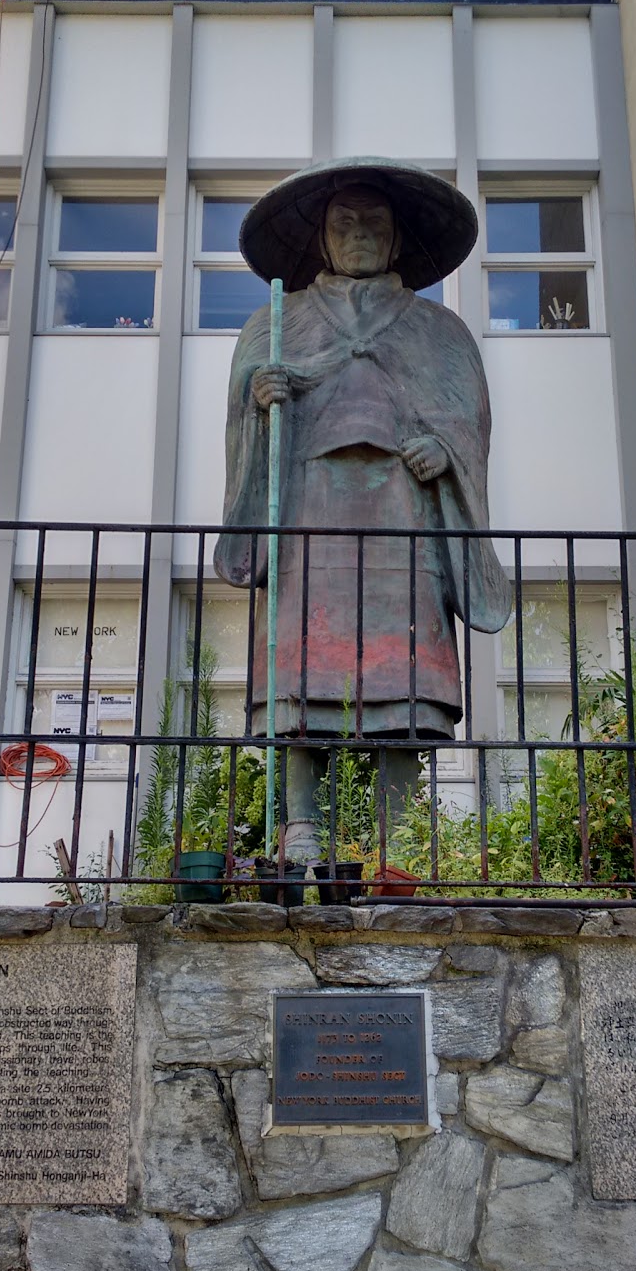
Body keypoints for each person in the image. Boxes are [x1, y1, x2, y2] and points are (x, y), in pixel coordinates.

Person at [214, 157, 510, 863]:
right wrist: (263, 401)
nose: (359, 234)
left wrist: (443, 448)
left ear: (398, 237)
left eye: (374, 222)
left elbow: (468, 420)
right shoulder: (277, 323)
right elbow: (242, 412)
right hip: (310, 511)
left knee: (401, 672)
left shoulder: (438, 330)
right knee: (301, 666)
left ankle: (399, 840)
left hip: (402, 516)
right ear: (322, 238)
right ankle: (301, 824)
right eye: (344, 223)